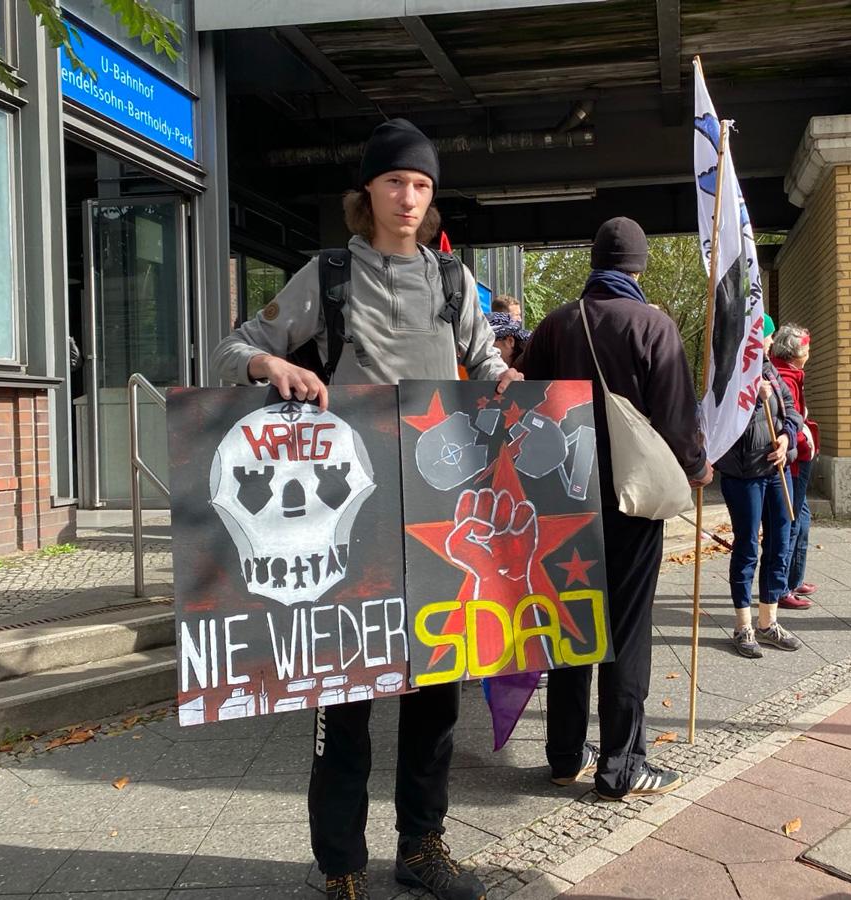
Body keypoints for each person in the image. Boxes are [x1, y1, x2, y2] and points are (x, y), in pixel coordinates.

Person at [212, 118, 518, 900]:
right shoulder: (330, 274)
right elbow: (232, 346)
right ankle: (340, 866)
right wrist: (266, 359)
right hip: (350, 524)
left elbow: (486, 363)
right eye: (394, 182)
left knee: (435, 696)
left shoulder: (455, 283)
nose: (408, 197)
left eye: (421, 185)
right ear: (368, 191)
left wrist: (506, 382)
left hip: (437, 519)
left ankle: (422, 845)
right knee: (342, 702)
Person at [517, 216, 711, 801]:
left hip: (563, 502)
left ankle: (563, 754)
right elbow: (677, 419)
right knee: (626, 630)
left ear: (594, 262)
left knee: (569, 621)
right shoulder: (654, 326)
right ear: (639, 266)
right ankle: (622, 765)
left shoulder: (554, 326)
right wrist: (698, 468)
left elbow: (526, 405)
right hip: (633, 504)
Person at [716, 315, 805, 658]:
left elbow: (793, 412)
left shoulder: (771, 371)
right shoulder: (727, 371)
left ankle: (768, 622)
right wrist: (752, 398)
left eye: (766, 338)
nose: (768, 343)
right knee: (748, 547)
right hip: (743, 475)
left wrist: (786, 438)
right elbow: (718, 416)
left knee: (780, 544)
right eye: (764, 337)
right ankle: (743, 626)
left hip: (776, 471)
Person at [770, 323, 819, 607]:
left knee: (801, 519)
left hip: (801, 457)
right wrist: (801, 441)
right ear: (797, 351)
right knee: (791, 522)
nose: (810, 352)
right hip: (795, 461)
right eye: (808, 348)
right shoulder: (785, 378)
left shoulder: (791, 375)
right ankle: (782, 587)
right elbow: (788, 420)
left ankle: (793, 578)